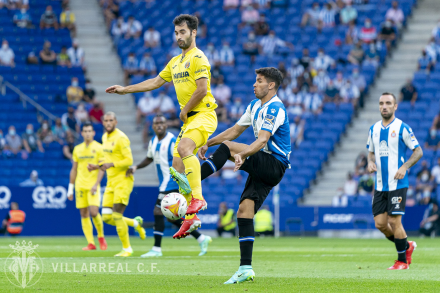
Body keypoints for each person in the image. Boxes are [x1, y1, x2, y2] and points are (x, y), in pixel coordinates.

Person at [106, 15, 219, 239]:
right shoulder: (175, 62)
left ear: (193, 33)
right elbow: (155, 82)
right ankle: (191, 217)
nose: (178, 36)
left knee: (185, 149)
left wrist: (185, 109)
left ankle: (198, 198)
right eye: (176, 32)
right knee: (176, 169)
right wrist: (125, 89)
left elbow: (203, 89)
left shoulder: (199, 57)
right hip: (190, 120)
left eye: (183, 32)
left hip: (204, 114)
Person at [198, 67, 290, 283]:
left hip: (274, 163)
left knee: (229, 148)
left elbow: (262, 140)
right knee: (244, 212)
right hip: (264, 165)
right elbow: (235, 130)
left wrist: (243, 154)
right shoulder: (254, 106)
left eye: (259, 81)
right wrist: (208, 142)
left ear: (271, 86)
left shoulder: (274, 108)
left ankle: (193, 182)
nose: (254, 84)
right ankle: (245, 268)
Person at [127, 115, 212, 257]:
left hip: (173, 181)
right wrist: (136, 167)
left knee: (157, 211)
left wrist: (185, 178)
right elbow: (149, 158)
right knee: (169, 217)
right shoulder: (153, 142)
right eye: (156, 123)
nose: (159, 125)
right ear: (153, 126)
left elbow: (186, 155)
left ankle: (156, 249)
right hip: (164, 183)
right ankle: (201, 238)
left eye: (162, 123)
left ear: (166, 125)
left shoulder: (173, 140)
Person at [366, 92, 423, 270]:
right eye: (381, 103)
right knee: (381, 224)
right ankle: (407, 246)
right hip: (381, 185)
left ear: (395, 106)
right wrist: (369, 162)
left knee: (394, 222)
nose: (384, 106)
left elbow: (418, 151)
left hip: (398, 183)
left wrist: (405, 167)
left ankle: (402, 261)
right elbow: (371, 152)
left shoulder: (402, 128)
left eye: (388, 103)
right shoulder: (373, 129)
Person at [87, 112, 145, 257]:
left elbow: (128, 160)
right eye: (106, 120)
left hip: (123, 180)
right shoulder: (104, 137)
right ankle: (135, 223)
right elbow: (106, 160)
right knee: (106, 217)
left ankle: (127, 249)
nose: (108, 123)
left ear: (116, 122)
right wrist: (97, 166)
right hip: (111, 181)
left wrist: (110, 164)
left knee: (117, 215)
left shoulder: (121, 138)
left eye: (111, 120)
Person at [67, 123, 108, 251]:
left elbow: (102, 168)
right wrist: (70, 188)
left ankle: (101, 237)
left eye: (90, 131)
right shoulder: (77, 149)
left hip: (92, 186)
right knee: (84, 213)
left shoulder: (99, 148)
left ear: (94, 133)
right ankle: (91, 243)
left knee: (94, 212)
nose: (88, 133)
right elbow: (74, 169)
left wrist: (96, 184)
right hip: (80, 185)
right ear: (82, 133)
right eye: (85, 131)